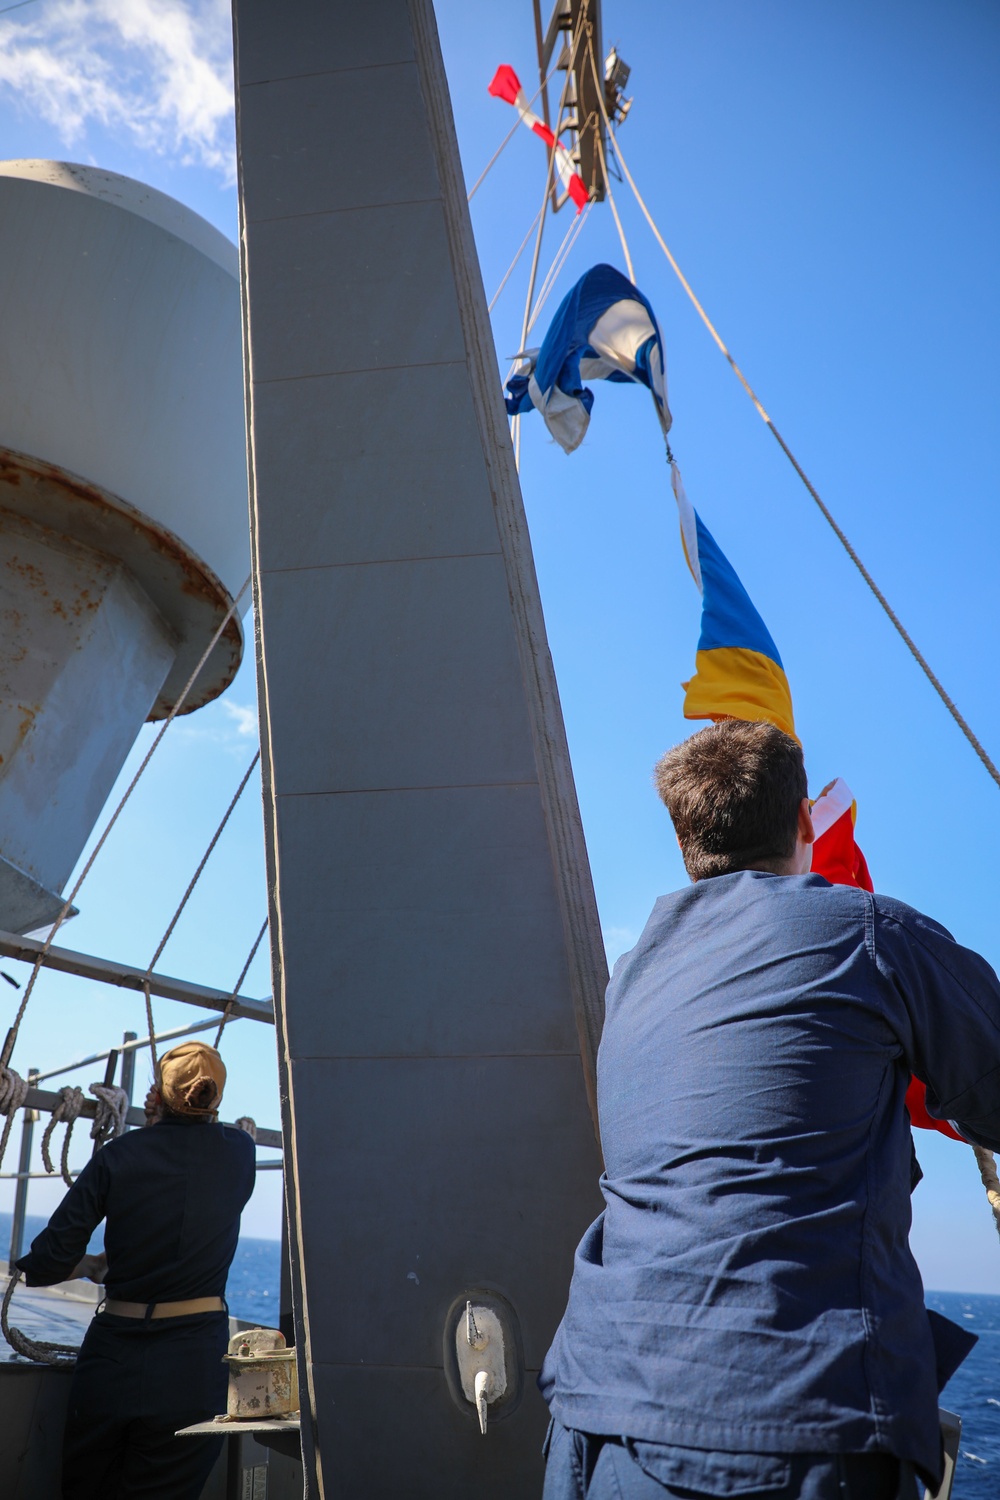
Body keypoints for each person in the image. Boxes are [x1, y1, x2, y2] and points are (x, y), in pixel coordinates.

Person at [540, 720, 1000, 1500]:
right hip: (784, 1427)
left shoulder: (632, 980)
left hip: (594, 1422)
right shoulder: (868, 932)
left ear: (688, 844)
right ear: (803, 827)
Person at [17, 1040, 256, 1500]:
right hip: (193, 1362)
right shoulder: (240, 1152)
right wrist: (171, 1119)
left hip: (114, 1359)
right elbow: (198, 1157)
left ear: (159, 1097)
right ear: (215, 1099)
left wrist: (90, 1266)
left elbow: (47, 1260)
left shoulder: (119, 1155)